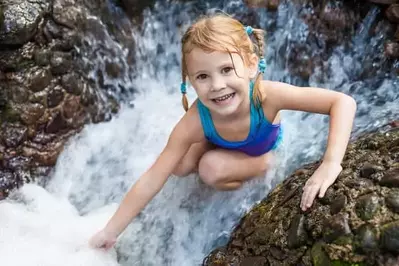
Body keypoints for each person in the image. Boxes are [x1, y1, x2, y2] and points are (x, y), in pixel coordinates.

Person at [89, 13, 357, 249]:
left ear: (251, 65)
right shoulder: (194, 120)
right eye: (203, 77)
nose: (217, 85)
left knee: (210, 169)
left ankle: (262, 164)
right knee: (177, 164)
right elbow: (151, 178)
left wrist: (331, 162)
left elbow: (342, 102)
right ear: (189, 81)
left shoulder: (267, 97)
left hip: (257, 150)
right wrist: (110, 232)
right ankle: (211, 147)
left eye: (227, 70)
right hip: (220, 139)